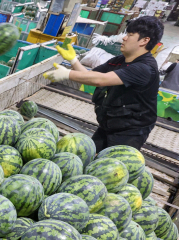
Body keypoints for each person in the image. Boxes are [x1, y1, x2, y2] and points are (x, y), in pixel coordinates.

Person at [43, 16, 164, 152]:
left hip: (130, 132)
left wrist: (67, 74)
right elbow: (91, 76)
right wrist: (73, 61)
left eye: (130, 35)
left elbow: (101, 80)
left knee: (110, 164)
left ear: (144, 40)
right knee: (90, 156)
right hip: (110, 123)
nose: (124, 38)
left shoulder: (145, 68)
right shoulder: (119, 60)